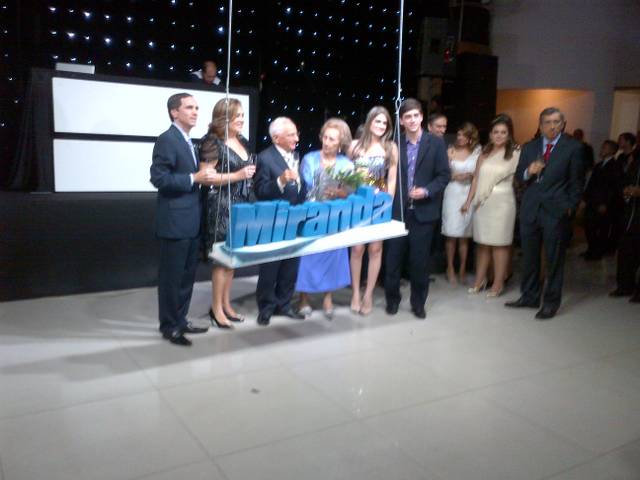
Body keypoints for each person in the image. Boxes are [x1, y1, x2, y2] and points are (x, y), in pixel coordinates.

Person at [505, 107, 585, 320]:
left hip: (556, 211)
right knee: (529, 257)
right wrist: (528, 172)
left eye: (556, 122)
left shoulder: (573, 148)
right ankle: (529, 296)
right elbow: (519, 176)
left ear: (563, 124)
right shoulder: (530, 147)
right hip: (531, 209)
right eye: (547, 122)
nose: (552, 126)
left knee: (554, 259)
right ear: (540, 126)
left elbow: (577, 182)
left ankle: (551, 303)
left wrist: (570, 207)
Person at [150, 93, 214, 346]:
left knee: (187, 277)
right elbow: (159, 178)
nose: (195, 112)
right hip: (174, 223)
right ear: (174, 112)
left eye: (197, 108)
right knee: (172, 279)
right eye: (189, 107)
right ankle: (169, 327)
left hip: (191, 221)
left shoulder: (189, 141)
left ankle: (180, 320)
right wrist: (193, 178)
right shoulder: (167, 139)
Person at [384, 98, 450, 319]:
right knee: (393, 259)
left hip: (424, 212)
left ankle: (418, 303)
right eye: (407, 117)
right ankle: (392, 300)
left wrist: (427, 191)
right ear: (402, 121)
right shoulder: (395, 144)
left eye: (415, 115)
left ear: (421, 117)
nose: (412, 120)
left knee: (419, 262)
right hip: (398, 212)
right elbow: (384, 174)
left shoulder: (436, 143)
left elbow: (444, 176)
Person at [199, 98, 255, 329]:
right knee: (222, 260)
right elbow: (206, 178)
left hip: (240, 205)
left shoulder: (242, 141)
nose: (242, 119)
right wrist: (238, 176)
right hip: (220, 207)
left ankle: (226, 305)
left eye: (242, 115)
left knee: (232, 260)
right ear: (224, 117)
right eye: (237, 115)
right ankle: (216, 309)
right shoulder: (212, 142)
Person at [296, 119, 353, 319]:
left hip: (334, 216)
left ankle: (328, 297)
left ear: (340, 143)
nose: (327, 142)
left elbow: (349, 192)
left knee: (332, 255)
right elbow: (306, 187)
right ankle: (303, 298)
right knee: (308, 256)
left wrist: (340, 193)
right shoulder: (309, 159)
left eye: (332, 139)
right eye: (325, 137)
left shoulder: (346, 164)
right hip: (311, 214)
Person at [253, 117, 307, 326]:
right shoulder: (264, 158)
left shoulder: (295, 155)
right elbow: (260, 191)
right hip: (274, 220)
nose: (296, 138)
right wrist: (281, 181)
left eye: (296, 134)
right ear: (276, 138)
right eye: (291, 135)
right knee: (271, 266)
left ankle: (284, 304)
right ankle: (266, 308)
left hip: (295, 219)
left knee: (291, 265)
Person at [462, 114, 519, 298]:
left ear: (509, 134)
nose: (499, 135)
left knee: (500, 245)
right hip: (482, 203)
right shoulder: (484, 153)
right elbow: (476, 179)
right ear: (490, 134)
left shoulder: (515, 153)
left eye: (503, 132)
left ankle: (498, 283)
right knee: (483, 244)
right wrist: (468, 201)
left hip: (503, 203)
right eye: (496, 132)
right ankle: (480, 281)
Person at [349, 106, 398, 316]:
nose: (381, 126)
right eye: (377, 121)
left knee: (376, 249)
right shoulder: (354, 146)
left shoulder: (390, 147)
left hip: (380, 204)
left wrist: (388, 203)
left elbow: (392, 179)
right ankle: (355, 293)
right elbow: (346, 175)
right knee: (357, 249)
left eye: (384, 123)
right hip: (357, 202)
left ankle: (368, 294)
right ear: (369, 122)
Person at [442, 122, 481, 285]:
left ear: (471, 137)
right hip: (452, 192)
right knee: (451, 234)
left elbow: (477, 178)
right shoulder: (450, 151)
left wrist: (468, 201)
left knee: (464, 235)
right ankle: (450, 267)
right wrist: (455, 176)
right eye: (458, 134)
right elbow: (443, 174)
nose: (460, 138)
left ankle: (463, 268)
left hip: (468, 193)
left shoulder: (477, 152)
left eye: (464, 135)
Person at [581, 139, 620, 260]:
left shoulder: (615, 166)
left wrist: (605, 203)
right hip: (592, 201)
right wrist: (585, 198)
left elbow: (613, 188)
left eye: (605, 147)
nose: (602, 149)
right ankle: (591, 249)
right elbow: (591, 184)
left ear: (612, 151)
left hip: (602, 202)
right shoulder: (599, 165)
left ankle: (597, 252)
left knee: (601, 228)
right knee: (589, 226)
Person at [610, 149, 640, 302]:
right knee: (626, 250)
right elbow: (626, 180)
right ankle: (625, 286)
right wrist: (626, 190)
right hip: (631, 215)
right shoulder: (635, 160)